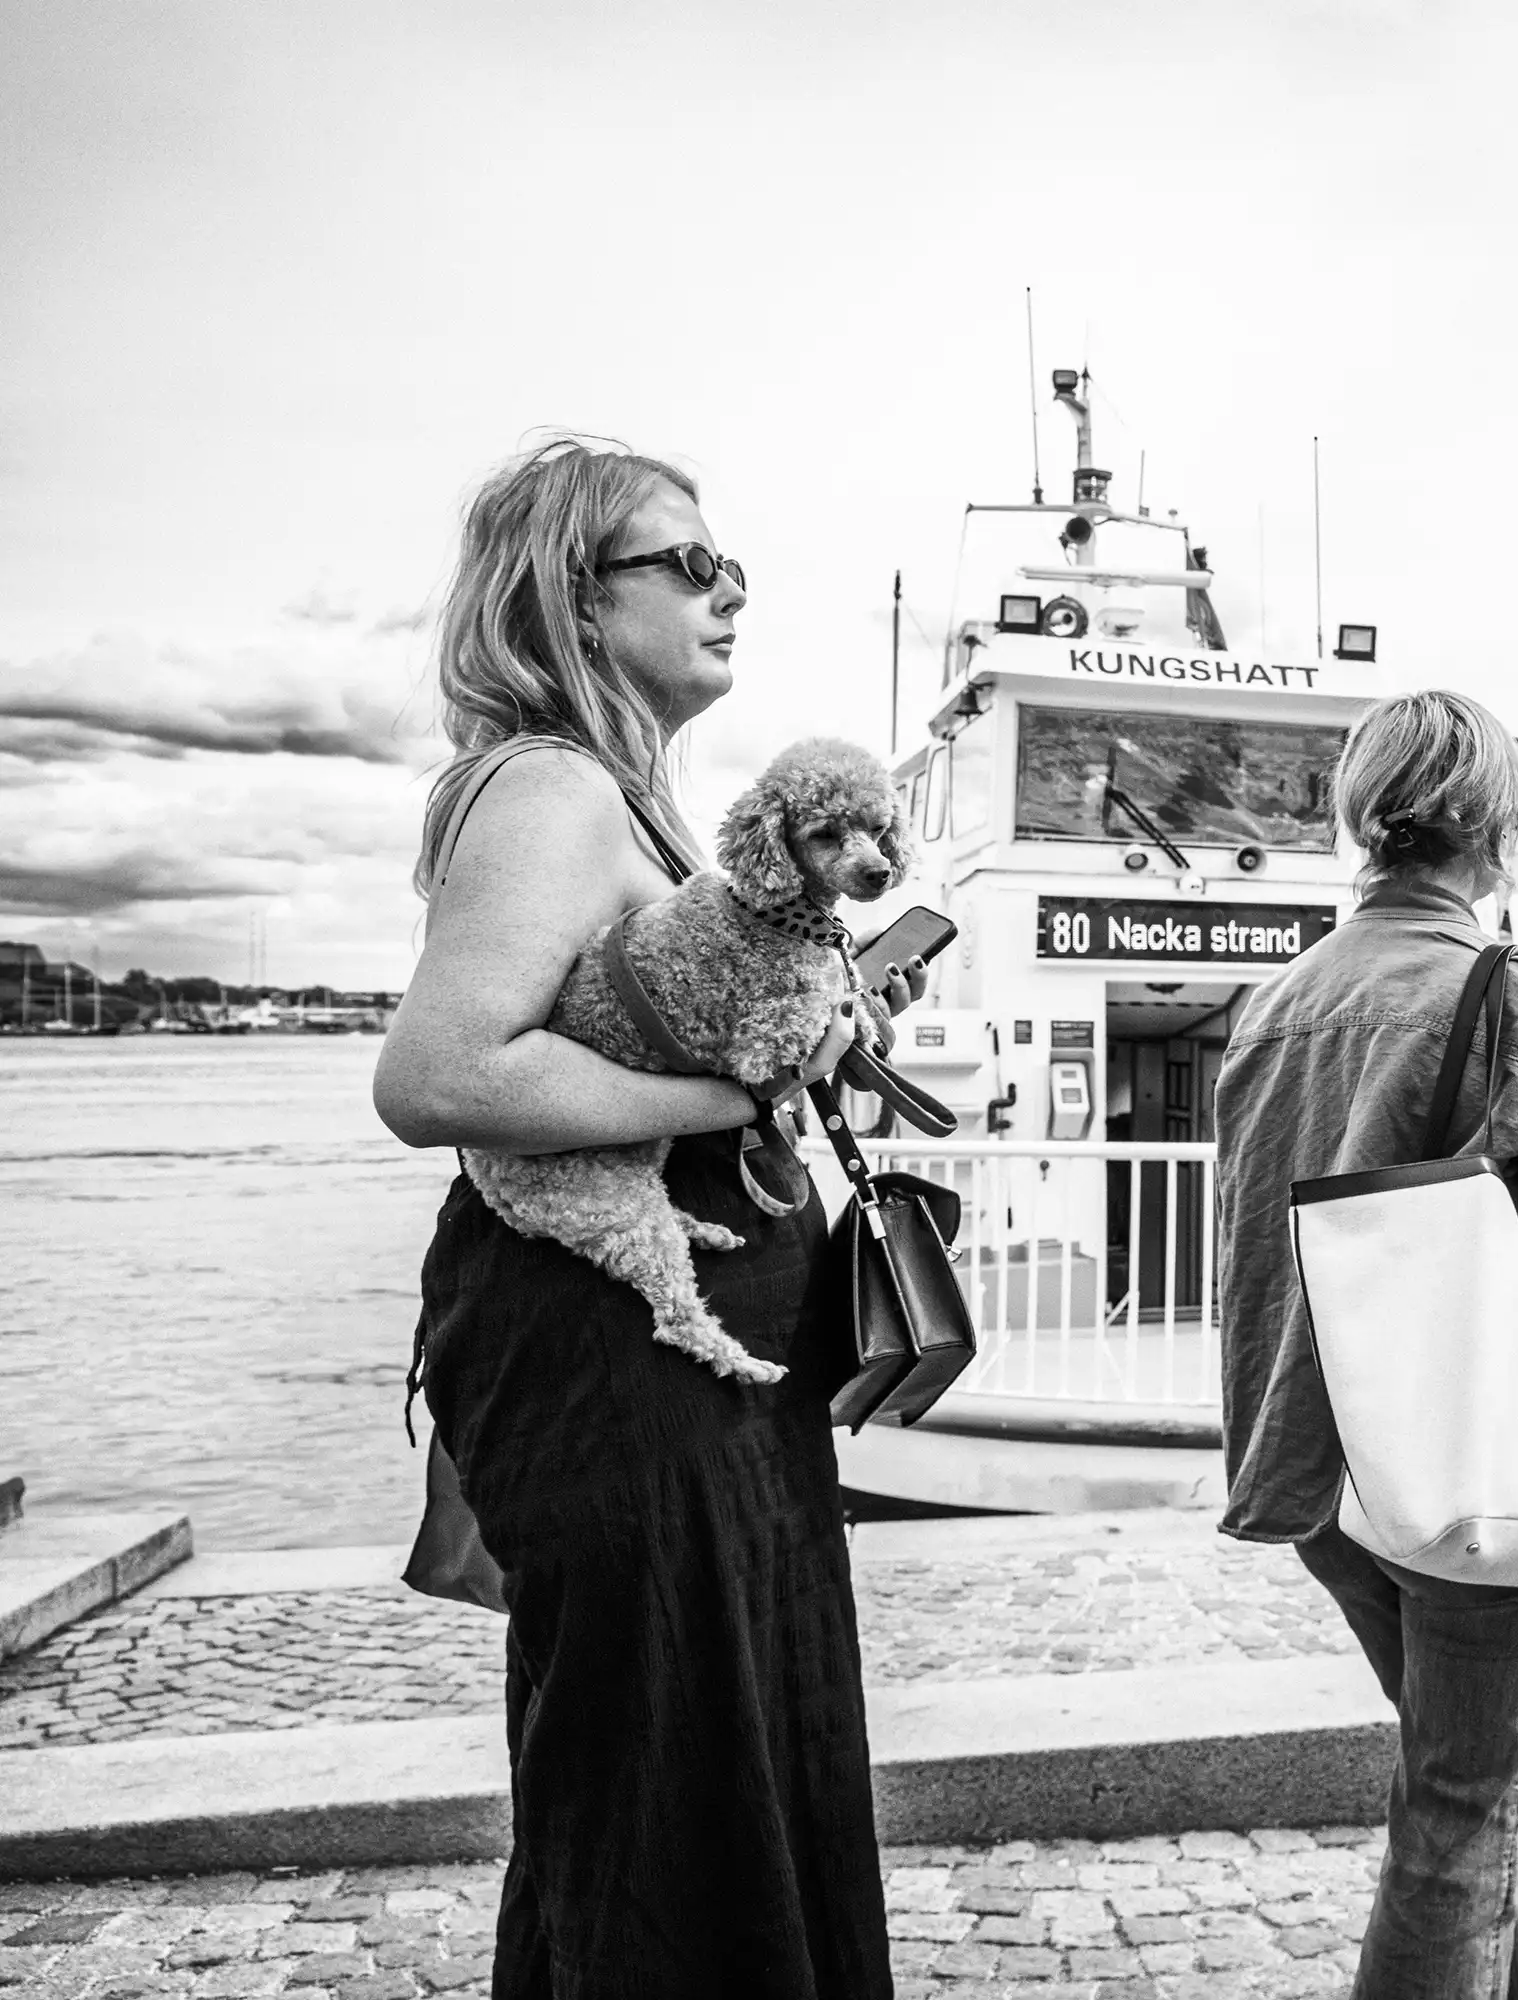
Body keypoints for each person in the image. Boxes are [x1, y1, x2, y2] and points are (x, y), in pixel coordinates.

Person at [374, 439, 905, 1997]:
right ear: (574, 602)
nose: (730, 585)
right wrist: (734, 1104)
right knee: (665, 1789)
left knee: (712, 1769)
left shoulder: (626, 801)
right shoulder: (550, 789)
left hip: (689, 1376)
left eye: (726, 558)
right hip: (626, 1376)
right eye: (688, 561)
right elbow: (442, 1072)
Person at [1213, 690, 1518, 1998]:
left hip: (1325, 1471)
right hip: (1468, 1466)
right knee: (1460, 1808)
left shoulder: (1276, 1002)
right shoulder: (1505, 994)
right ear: (1496, 823)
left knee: (1482, 1774)